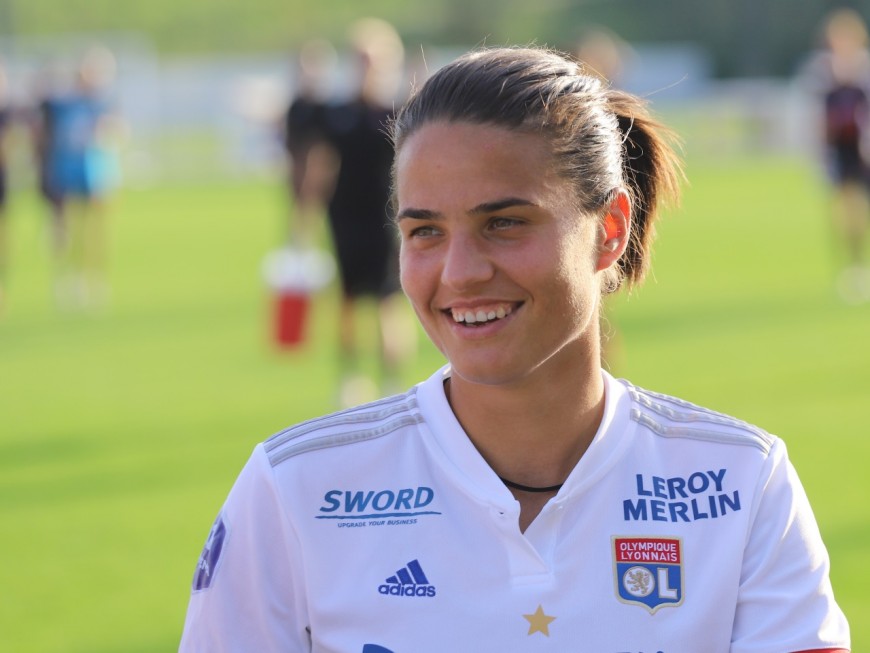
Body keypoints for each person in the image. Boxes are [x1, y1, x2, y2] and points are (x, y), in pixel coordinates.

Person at [179, 46, 850, 652]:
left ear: (609, 228)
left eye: (503, 223)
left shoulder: (740, 482)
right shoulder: (297, 488)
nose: (460, 272)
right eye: (425, 232)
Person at [314, 18, 416, 406]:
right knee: (346, 298)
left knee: (389, 300)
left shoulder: (400, 113)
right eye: (359, 59)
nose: (365, 67)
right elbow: (320, 165)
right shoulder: (338, 112)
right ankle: (351, 377)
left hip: (387, 218)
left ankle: (392, 382)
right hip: (343, 216)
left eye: (372, 59)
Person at [38, 45, 121, 308]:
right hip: (70, 169)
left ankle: (92, 278)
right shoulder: (65, 104)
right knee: (69, 226)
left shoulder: (103, 103)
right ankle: (69, 277)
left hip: (96, 170)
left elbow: (115, 134)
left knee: (94, 229)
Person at [805, 8, 870, 302]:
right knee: (845, 210)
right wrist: (820, 152)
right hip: (840, 151)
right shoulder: (822, 73)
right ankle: (852, 267)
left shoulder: (864, 71)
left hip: (863, 149)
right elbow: (817, 116)